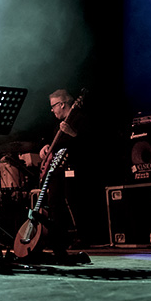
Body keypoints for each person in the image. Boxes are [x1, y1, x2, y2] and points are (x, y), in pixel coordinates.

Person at [36, 88, 90, 262]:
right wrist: (45, 148)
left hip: (74, 166)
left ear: (62, 104)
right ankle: (59, 239)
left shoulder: (79, 119)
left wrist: (72, 133)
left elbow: (89, 142)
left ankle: (83, 236)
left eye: (53, 106)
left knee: (73, 199)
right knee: (54, 202)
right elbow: (56, 145)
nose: (52, 110)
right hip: (57, 168)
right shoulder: (57, 124)